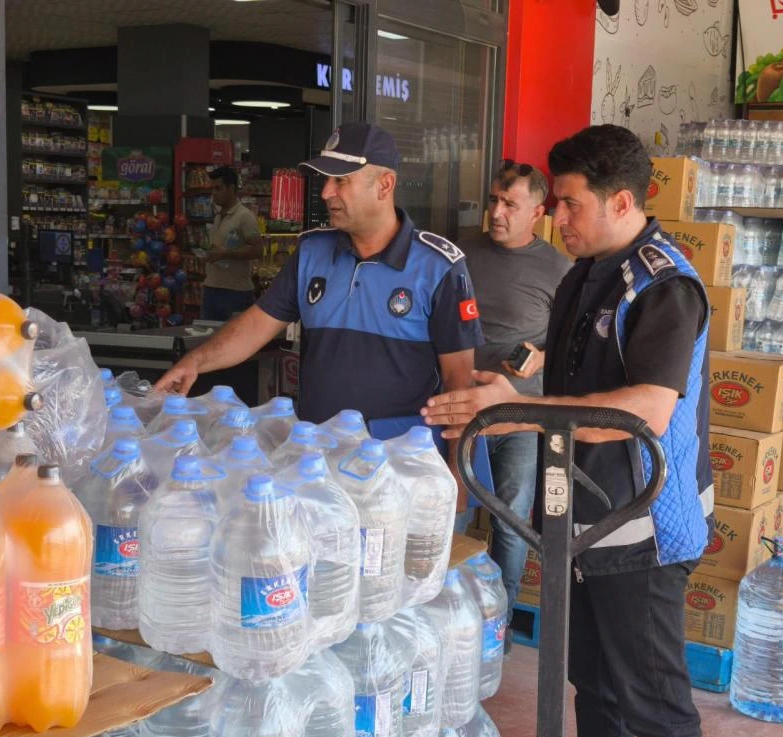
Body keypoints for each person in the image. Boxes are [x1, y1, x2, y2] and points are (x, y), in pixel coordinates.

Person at [422, 125, 712, 737]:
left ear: (621, 202)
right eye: (556, 202)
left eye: (570, 203)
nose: (556, 217)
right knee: (595, 687)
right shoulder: (589, 272)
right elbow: (585, 367)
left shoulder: (663, 286)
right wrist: (507, 386)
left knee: (654, 705)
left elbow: (647, 411)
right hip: (582, 517)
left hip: (643, 528)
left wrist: (520, 411)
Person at [156, 122, 482, 500]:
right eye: (326, 180)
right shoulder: (312, 253)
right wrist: (195, 362)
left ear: (385, 185)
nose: (326, 192)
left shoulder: (438, 267)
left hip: (399, 470)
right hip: (318, 465)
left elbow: (459, 382)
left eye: (341, 181)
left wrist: (459, 476)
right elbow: (257, 324)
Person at [462, 160, 571, 642]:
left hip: (522, 417)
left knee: (510, 521)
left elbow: (571, 344)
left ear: (537, 213)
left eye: (510, 204)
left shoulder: (559, 269)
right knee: (452, 514)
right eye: (493, 200)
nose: (497, 213)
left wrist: (542, 356)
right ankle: (448, 620)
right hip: (462, 409)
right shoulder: (461, 255)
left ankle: (497, 629)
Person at [200, 165, 264, 321]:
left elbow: (258, 249)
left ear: (232, 188)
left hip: (235, 292)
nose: (214, 193)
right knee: (209, 334)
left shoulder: (245, 216)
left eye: (218, 188)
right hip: (211, 288)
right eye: (212, 189)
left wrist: (225, 254)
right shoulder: (218, 216)